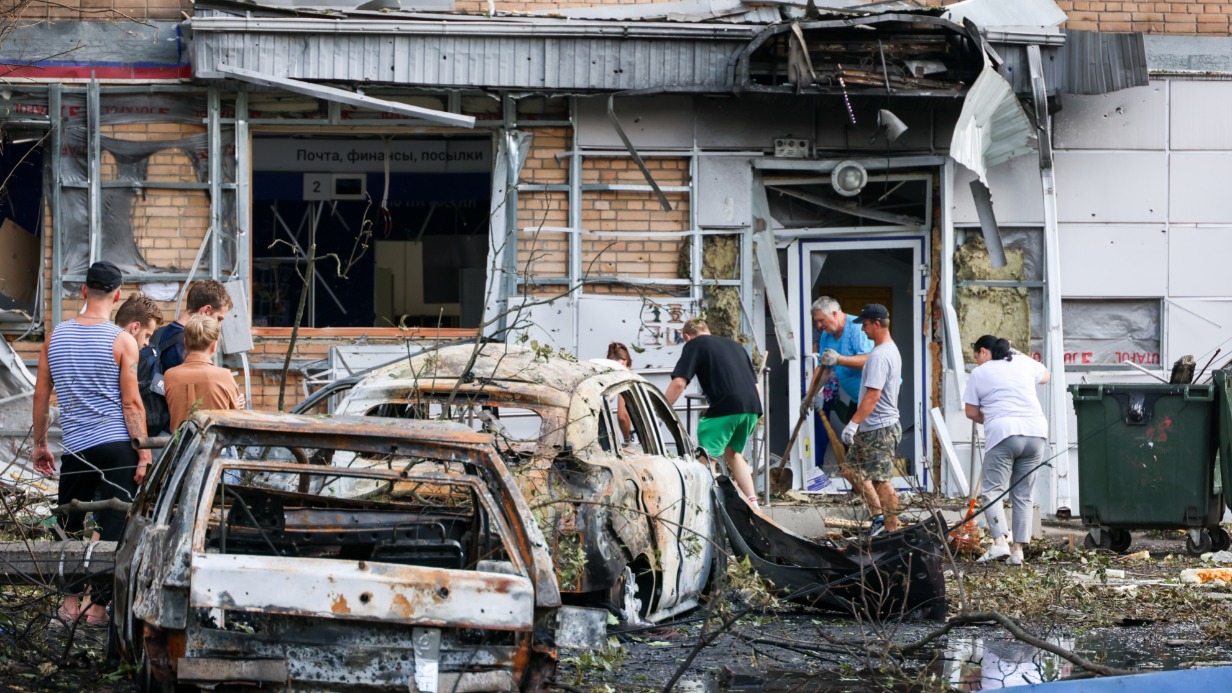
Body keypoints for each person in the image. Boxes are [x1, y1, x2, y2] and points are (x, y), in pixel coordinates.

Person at [32, 261, 151, 624]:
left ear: (83, 291)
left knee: (67, 524)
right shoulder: (123, 340)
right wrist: (143, 451)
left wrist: (40, 444)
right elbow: (131, 402)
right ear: (117, 295)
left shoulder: (55, 336)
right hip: (117, 445)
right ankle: (97, 609)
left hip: (77, 447)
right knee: (113, 527)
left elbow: (40, 395)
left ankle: (68, 606)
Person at [964, 335, 1050, 566]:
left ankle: (1000, 542)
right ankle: (1018, 550)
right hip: (1036, 433)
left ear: (983, 351)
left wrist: (993, 419)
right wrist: (1019, 353)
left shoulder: (980, 373)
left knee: (992, 491)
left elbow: (971, 412)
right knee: (1023, 494)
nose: (978, 362)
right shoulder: (1023, 362)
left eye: (977, 357)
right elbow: (1045, 376)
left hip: (1004, 433)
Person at [665, 319, 763, 508]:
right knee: (733, 454)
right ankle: (754, 504)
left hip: (726, 406)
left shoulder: (695, 344)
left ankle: (704, 506)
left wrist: (659, 409)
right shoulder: (735, 345)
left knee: (706, 457)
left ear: (687, 336)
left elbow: (679, 383)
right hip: (752, 407)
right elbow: (757, 388)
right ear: (708, 331)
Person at [140, 280, 239, 435]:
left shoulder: (161, 333)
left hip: (156, 426)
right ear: (206, 311)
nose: (219, 326)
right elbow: (199, 400)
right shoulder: (187, 344)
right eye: (219, 318)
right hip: (179, 433)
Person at [839, 304, 902, 534]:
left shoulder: (880, 356)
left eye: (865, 324)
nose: (863, 329)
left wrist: (853, 423)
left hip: (880, 428)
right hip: (872, 427)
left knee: (880, 480)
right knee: (850, 470)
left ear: (877, 323)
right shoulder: (886, 350)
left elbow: (873, 395)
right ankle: (878, 518)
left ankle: (892, 532)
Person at [810, 296, 876, 493]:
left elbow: (868, 359)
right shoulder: (827, 336)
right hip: (857, 398)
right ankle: (861, 493)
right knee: (851, 448)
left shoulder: (857, 328)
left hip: (875, 397)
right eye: (816, 322)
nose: (819, 325)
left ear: (835, 314)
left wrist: (840, 359)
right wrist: (810, 394)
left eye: (822, 320)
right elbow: (823, 368)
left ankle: (874, 493)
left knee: (867, 446)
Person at [163, 314, 243, 431]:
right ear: (214, 345)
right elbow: (237, 419)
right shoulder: (224, 375)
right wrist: (238, 403)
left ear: (185, 342)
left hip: (180, 445)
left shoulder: (169, 375)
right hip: (216, 446)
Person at [606, 342, 635, 445]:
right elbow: (622, 417)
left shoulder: (602, 371)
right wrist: (627, 440)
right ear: (625, 362)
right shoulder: (622, 374)